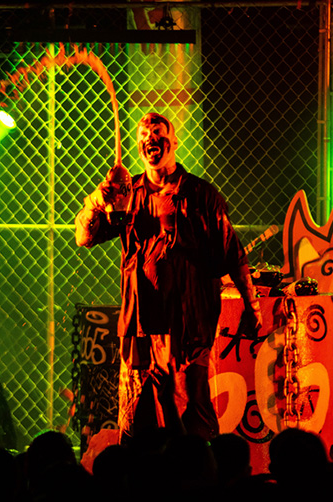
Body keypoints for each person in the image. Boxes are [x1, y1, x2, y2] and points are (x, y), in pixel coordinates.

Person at [75, 112, 262, 442]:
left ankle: (201, 467)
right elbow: (84, 237)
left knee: (193, 407)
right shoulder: (127, 193)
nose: (151, 138)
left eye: (158, 132)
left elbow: (232, 252)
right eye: (144, 135)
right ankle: (141, 469)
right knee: (137, 414)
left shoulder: (201, 196)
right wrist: (96, 202)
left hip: (188, 324)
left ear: (174, 142)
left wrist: (252, 306)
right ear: (139, 148)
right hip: (140, 322)